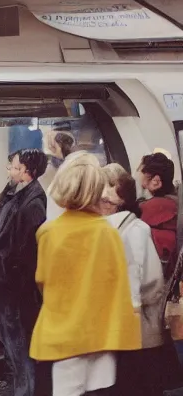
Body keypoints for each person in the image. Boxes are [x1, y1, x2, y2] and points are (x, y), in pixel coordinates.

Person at [30, 152, 140, 396]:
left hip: (65, 336)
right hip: (103, 334)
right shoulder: (109, 232)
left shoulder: (49, 233)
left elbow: (43, 283)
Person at [0, 149, 47, 396]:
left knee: (17, 344)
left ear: (27, 172)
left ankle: (25, 391)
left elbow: (26, 251)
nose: (10, 171)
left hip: (14, 289)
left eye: (14, 167)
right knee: (13, 343)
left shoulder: (32, 204)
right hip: (9, 285)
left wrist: (9, 277)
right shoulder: (18, 195)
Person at [99, 164, 166, 396]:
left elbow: (132, 284)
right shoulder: (131, 228)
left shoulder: (125, 230)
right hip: (133, 329)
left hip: (126, 329)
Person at [136, 152, 179, 278]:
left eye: (141, 172)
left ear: (155, 181)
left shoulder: (158, 206)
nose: (138, 176)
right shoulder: (175, 200)